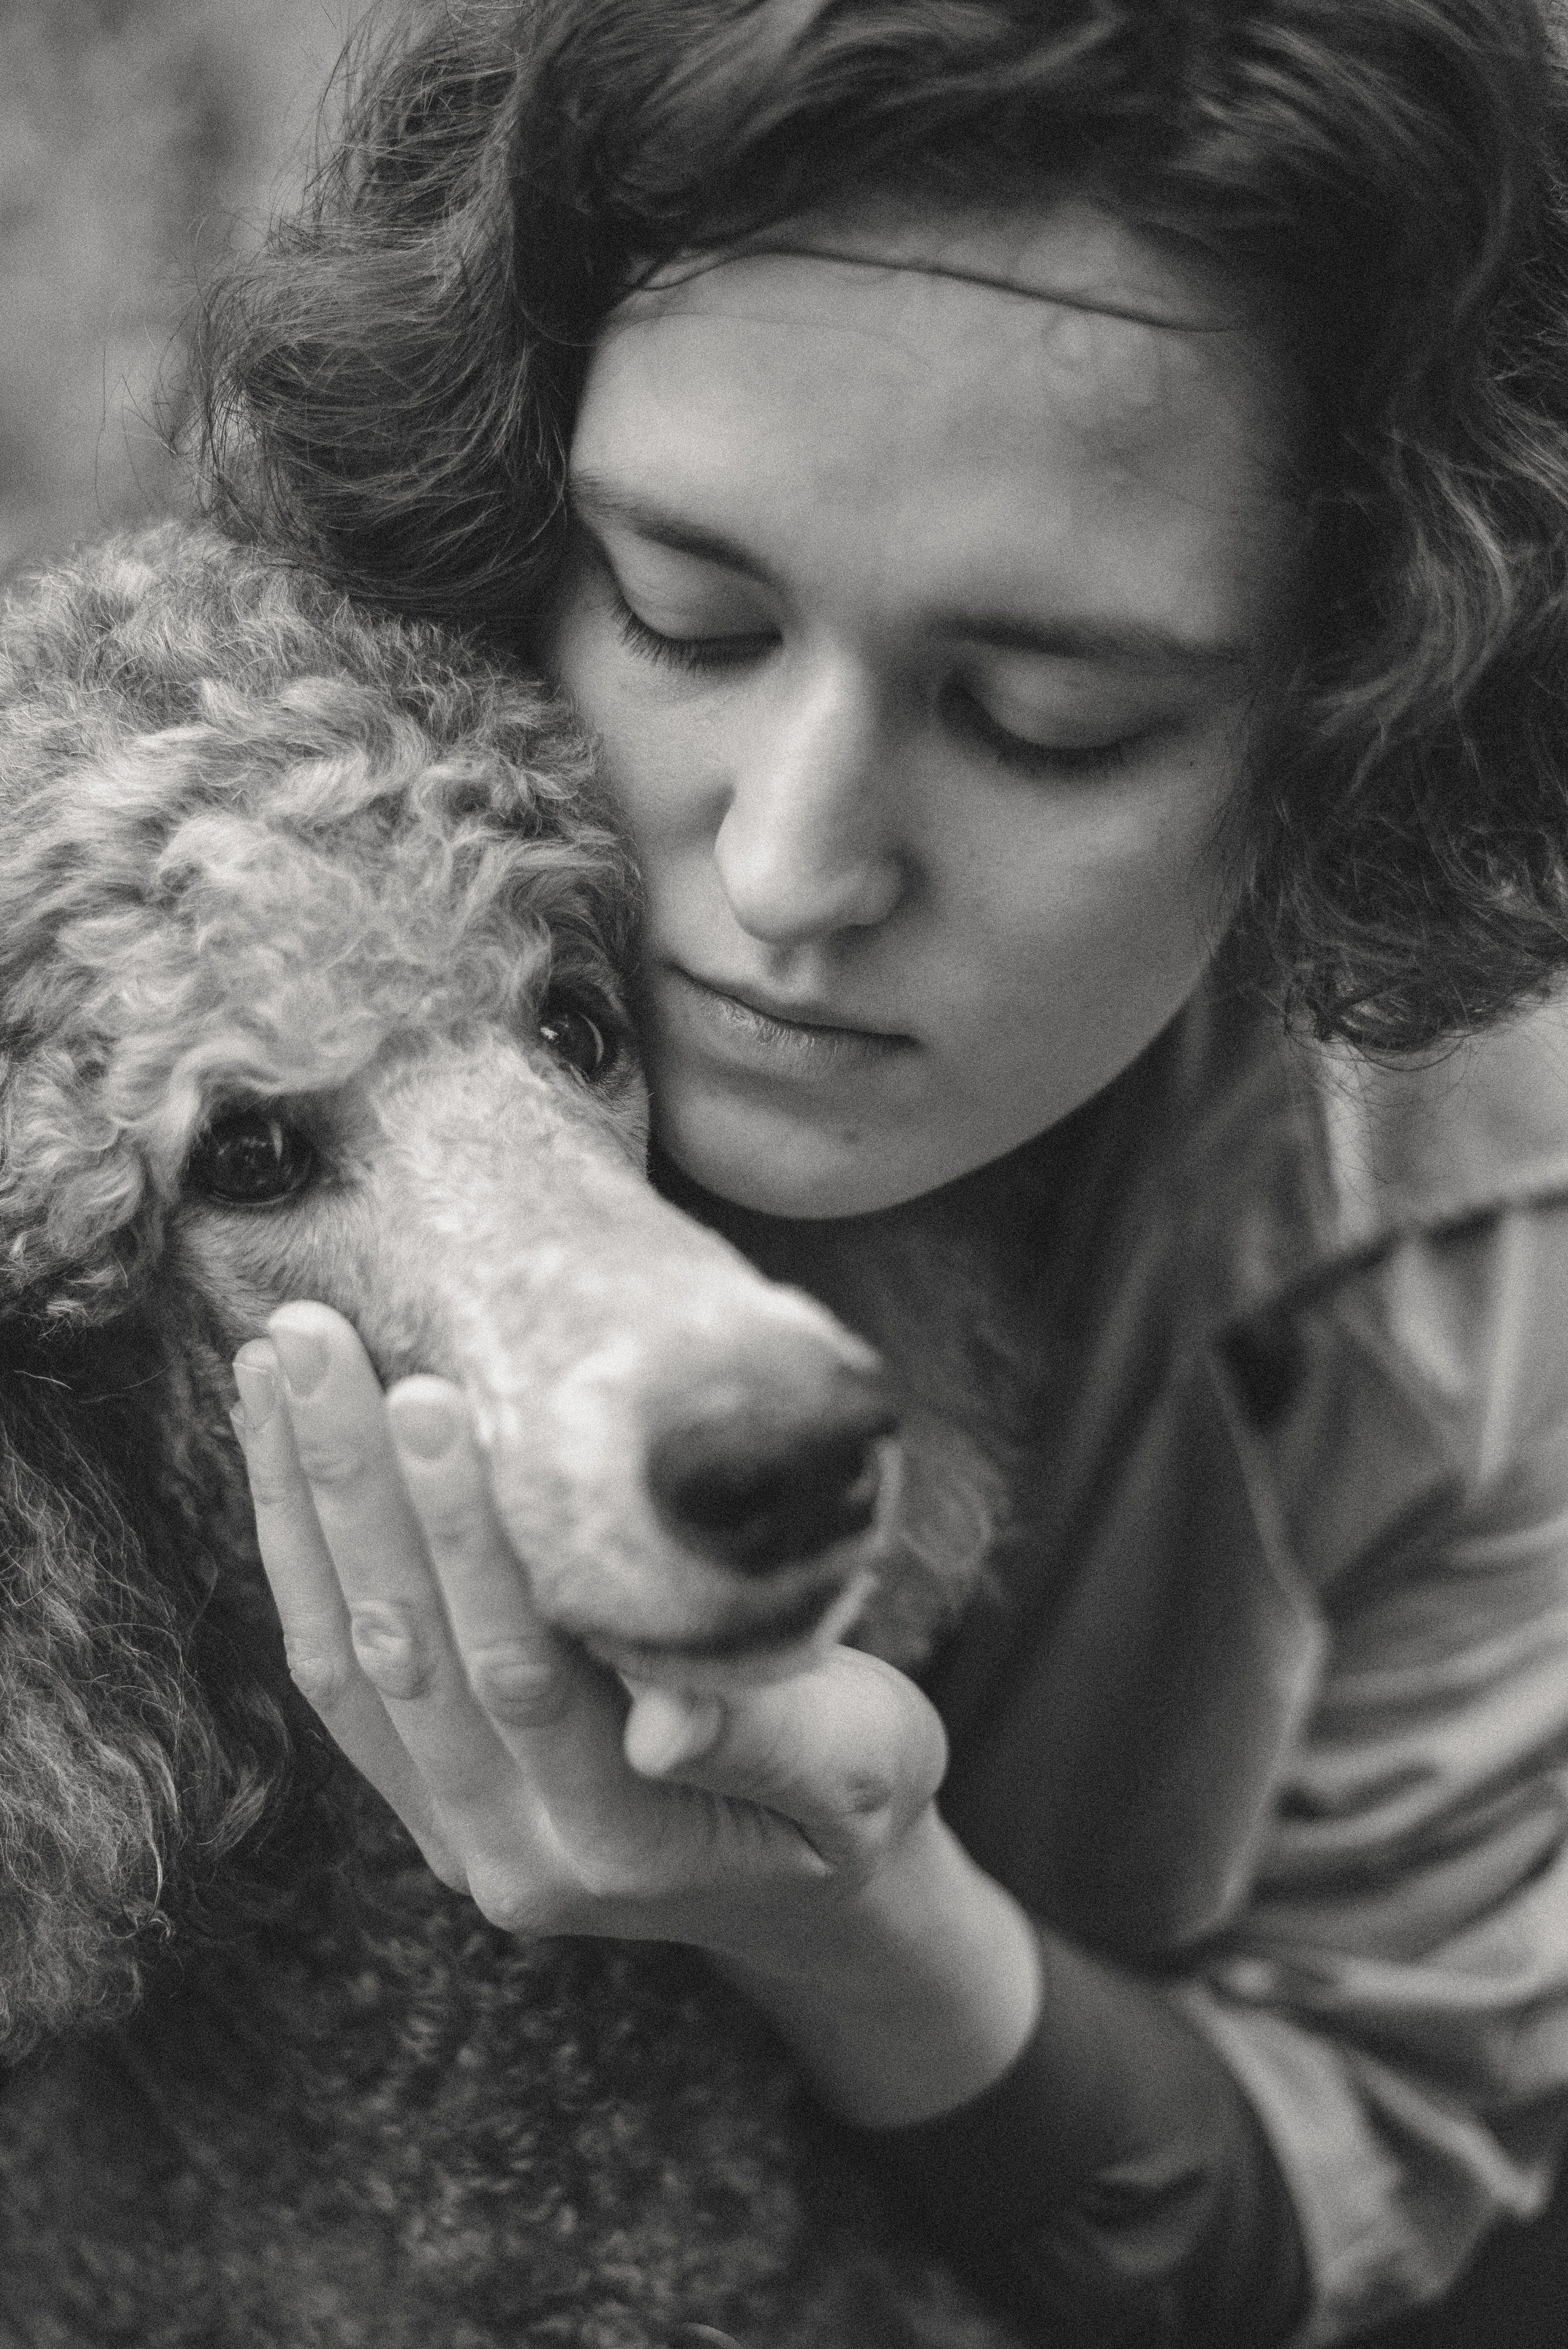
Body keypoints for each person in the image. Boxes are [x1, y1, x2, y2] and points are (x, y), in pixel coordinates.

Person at [199, 2, 1568, 2342]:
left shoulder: (1482, 1274)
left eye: (1054, 720)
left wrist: (847, 1907)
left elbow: (1367, 2203)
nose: (795, 863)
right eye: (683, 613)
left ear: (1357, 722)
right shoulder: (181, 886)